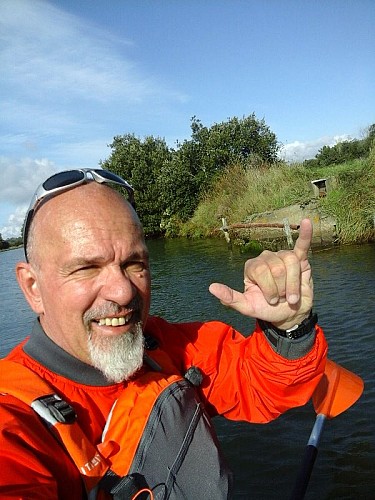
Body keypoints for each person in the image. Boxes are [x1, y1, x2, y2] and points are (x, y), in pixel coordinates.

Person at [0, 169, 327, 499]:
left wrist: (290, 325)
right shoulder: (13, 420)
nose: (123, 292)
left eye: (134, 262)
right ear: (33, 287)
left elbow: (260, 383)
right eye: (86, 268)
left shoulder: (162, 346)